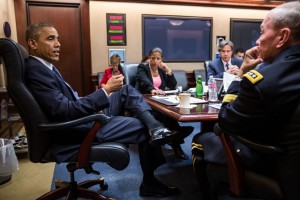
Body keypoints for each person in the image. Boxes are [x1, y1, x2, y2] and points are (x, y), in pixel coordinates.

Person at [24, 22, 181, 197]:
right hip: (79, 126)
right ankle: (151, 170)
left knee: (126, 89)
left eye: (58, 39)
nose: (58, 44)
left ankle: (156, 126)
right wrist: (105, 91)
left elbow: (67, 104)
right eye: (50, 39)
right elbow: (64, 111)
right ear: (33, 43)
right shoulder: (36, 70)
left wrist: (103, 94)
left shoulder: (45, 68)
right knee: (144, 127)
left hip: (84, 116)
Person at [195, 1, 300, 199]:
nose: (258, 41)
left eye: (261, 32)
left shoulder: (264, 81)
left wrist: (241, 73)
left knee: (200, 140)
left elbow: (226, 120)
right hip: (291, 162)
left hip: (271, 161)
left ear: (283, 37)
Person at [136, 47, 194, 160]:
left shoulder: (161, 70)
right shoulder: (142, 67)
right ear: (149, 58)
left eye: (158, 59)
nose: (155, 61)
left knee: (170, 114)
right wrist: (152, 89)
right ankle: (176, 138)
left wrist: (168, 71)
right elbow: (144, 81)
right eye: (152, 58)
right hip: (145, 100)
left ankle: (173, 138)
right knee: (165, 115)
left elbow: (172, 85)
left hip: (160, 100)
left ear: (161, 59)